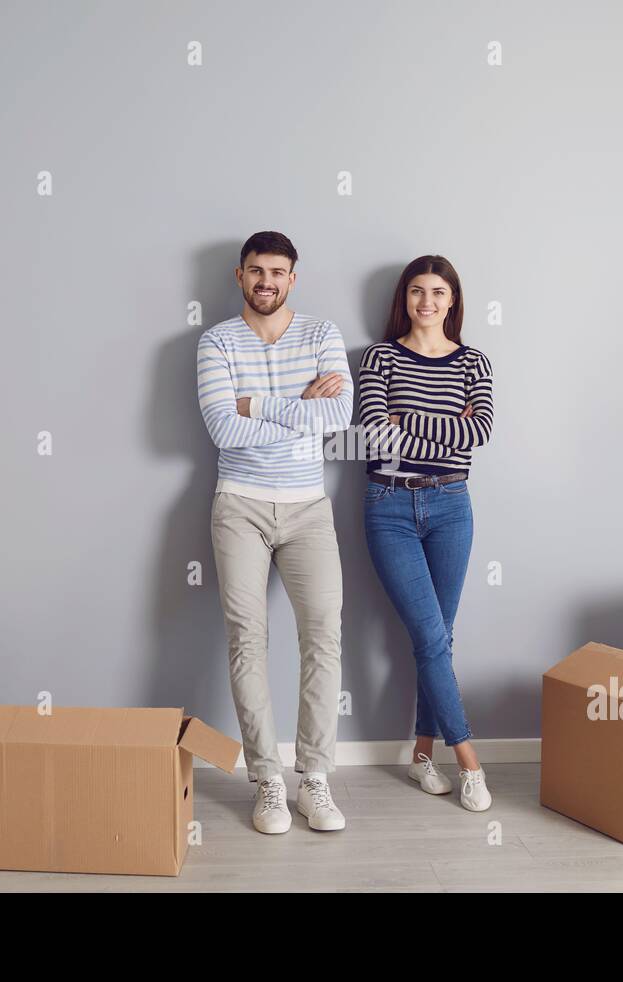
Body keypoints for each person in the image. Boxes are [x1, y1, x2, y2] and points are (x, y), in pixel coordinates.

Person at [196, 231, 354, 833]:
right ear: (240, 276)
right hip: (239, 505)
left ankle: (314, 779)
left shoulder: (321, 334)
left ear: (293, 278)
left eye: (278, 272)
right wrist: (299, 408)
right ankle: (267, 781)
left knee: (323, 636)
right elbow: (222, 431)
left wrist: (257, 404)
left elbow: (338, 416)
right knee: (247, 640)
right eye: (256, 271)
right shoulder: (216, 341)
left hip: (309, 507)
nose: (267, 281)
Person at [358, 255, 494, 812]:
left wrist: (406, 420)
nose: (427, 301)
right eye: (417, 291)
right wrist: (444, 427)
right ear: (404, 298)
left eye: (438, 291)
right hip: (389, 504)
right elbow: (373, 433)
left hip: (451, 505)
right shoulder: (380, 357)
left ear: (452, 299)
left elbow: (479, 431)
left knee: (440, 637)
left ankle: (421, 754)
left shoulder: (474, 362)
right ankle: (469, 761)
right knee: (432, 638)